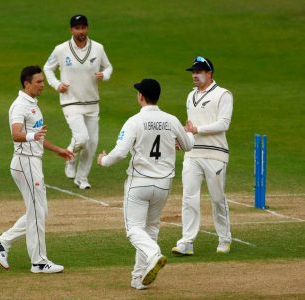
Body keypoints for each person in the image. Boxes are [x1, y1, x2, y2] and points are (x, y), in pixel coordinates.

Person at [97, 79, 195, 290]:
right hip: (163, 185)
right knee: (150, 228)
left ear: (141, 96)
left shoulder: (134, 121)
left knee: (133, 229)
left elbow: (120, 152)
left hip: (139, 183)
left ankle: (154, 254)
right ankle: (139, 278)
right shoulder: (171, 120)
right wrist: (189, 133)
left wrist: (103, 160)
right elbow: (187, 146)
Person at [0, 66, 74, 274]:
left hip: (33, 161)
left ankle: (2, 242)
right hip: (25, 162)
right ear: (26, 84)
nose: (43, 85)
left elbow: (37, 135)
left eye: (43, 81)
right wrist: (31, 137)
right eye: (39, 82)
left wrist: (57, 150)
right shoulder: (19, 106)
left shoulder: (33, 105)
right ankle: (39, 262)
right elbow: (16, 134)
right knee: (37, 212)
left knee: (39, 212)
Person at [172, 56, 234, 256]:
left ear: (209, 74)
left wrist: (197, 129)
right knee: (189, 198)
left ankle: (224, 238)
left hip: (216, 154)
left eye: (198, 72)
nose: (194, 76)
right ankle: (187, 242)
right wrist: (182, 138)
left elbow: (224, 124)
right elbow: (191, 125)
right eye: (193, 72)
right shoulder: (190, 96)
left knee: (217, 199)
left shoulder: (223, 95)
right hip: (193, 153)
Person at [43, 14, 113, 189]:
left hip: (92, 102)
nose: (80, 31)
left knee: (91, 145)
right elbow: (47, 68)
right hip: (70, 101)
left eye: (83, 27)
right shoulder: (61, 49)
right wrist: (56, 84)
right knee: (82, 138)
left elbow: (109, 66)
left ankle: (82, 178)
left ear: (87, 28)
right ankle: (70, 157)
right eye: (77, 28)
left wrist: (104, 75)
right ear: (71, 29)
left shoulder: (98, 48)